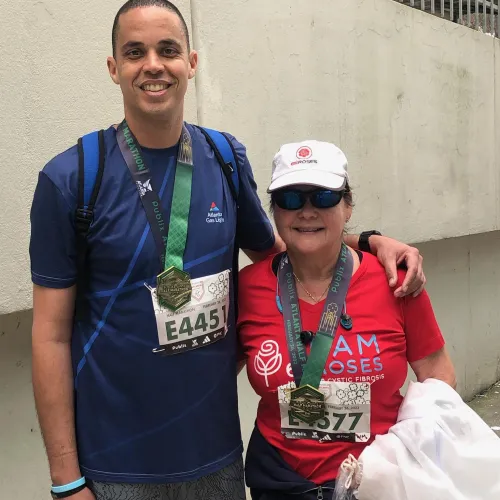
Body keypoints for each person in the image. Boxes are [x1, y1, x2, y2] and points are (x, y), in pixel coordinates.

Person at [29, 2, 427, 499]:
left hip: (217, 459)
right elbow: (49, 338)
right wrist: (67, 481)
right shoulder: (71, 179)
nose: (153, 64)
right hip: (116, 464)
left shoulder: (222, 157)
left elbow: (287, 248)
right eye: (135, 52)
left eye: (168, 50)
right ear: (114, 68)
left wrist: (368, 241)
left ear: (191, 63)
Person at [237, 140, 457, 500]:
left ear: (348, 205)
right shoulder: (248, 288)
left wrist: (412, 454)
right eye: (290, 199)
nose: (306, 211)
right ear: (274, 210)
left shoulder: (396, 283)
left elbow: (438, 376)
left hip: (379, 479)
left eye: (323, 197)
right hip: (280, 482)